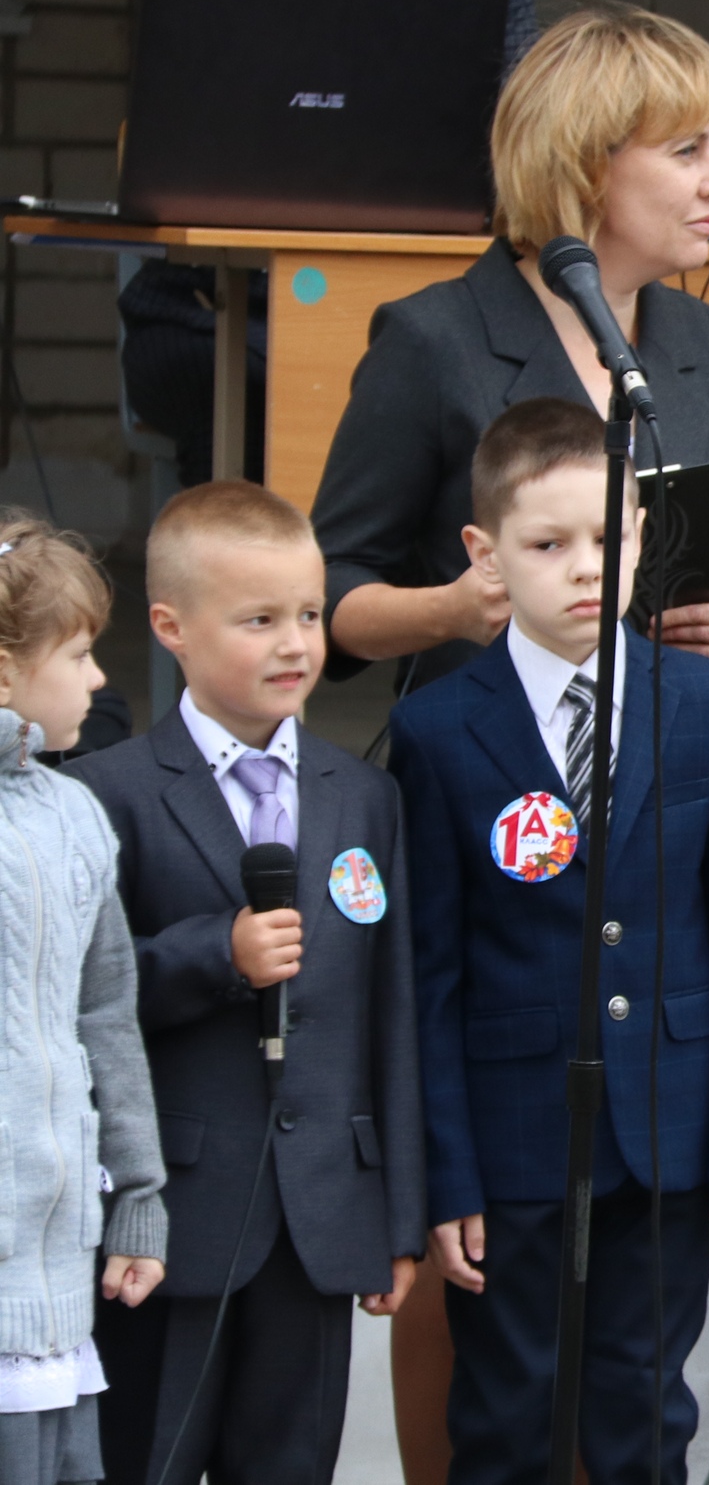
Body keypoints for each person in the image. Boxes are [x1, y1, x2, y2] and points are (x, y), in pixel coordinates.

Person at [388, 399, 709, 1485]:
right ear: (484, 553)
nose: (584, 566)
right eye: (546, 544)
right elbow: (429, 975)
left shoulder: (706, 703)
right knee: (506, 1415)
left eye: (609, 538)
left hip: (669, 1127)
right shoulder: (436, 729)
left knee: (642, 1412)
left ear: (644, 534)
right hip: (512, 1137)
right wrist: (444, 1173)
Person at [312, 1, 709, 703]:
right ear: (585, 166)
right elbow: (330, 588)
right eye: (686, 151)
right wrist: (451, 611)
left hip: (678, 754)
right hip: (494, 751)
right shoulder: (434, 340)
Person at [70, 483, 417, 1485]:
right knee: (148, 1454)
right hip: (170, 1217)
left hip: (322, 1218)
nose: (295, 643)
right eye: (259, 620)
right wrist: (213, 954)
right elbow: (83, 1003)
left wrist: (396, 1214)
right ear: (171, 627)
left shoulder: (365, 797)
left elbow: (391, 1013)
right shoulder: (110, 793)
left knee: (290, 1461)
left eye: (308, 614)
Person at [127, 0, 539, 488]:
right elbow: (202, 136)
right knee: (238, 399)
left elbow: (525, 134)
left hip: (435, 295)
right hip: (243, 305)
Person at [0, 516, 166, 1485]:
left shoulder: (76, 816)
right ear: (6, 671)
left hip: (60, 1283)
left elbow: (107, 1015)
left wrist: (138, 1195)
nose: (100, 679)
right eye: (78, 654)